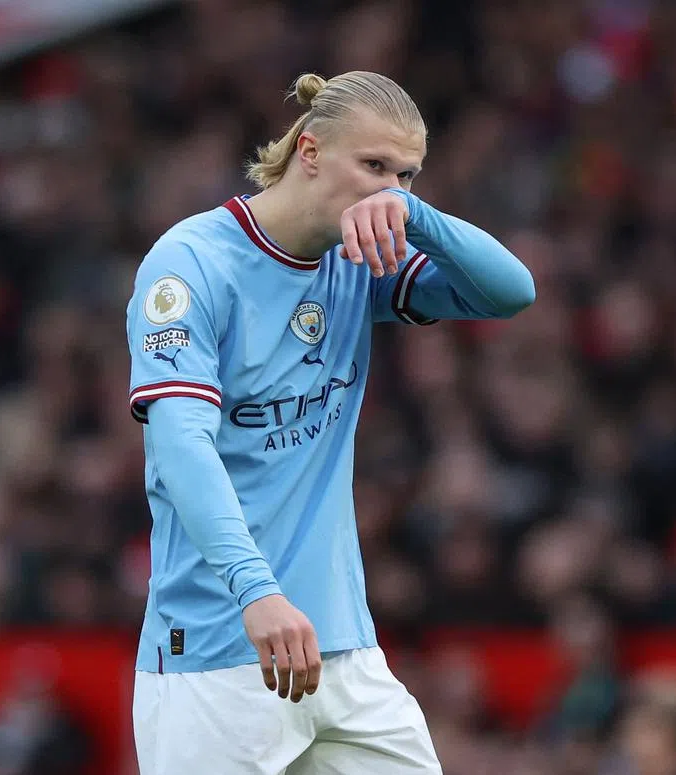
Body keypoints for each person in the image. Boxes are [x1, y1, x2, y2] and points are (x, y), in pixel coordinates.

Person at [125, 71, 535, 775]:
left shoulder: (359, 260)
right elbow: (182, 445)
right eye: (374, 166)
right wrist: (256, 590)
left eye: (406, 174)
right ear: (309, 152)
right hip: (218, 650)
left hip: (343, 648)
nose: (389, 190)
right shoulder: (191, 263)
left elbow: (510, 292)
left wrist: (418, 216)